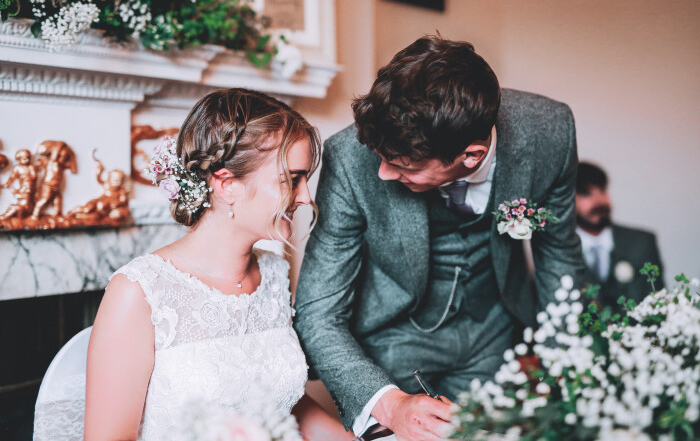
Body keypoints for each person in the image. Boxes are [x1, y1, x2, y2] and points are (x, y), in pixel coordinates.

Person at [294, 36, 586, 441]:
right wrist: (390, 403)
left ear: (472, 155)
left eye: (401, 165)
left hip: (494, 335)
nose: (382, 175)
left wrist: (565, 372)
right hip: (391, 342)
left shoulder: (549, 133)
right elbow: (317, 311)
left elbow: (561, 260)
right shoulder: (350, 158)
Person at [34, 89, 353, 440]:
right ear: (226, 184)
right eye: (292, 179)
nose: (306, 196)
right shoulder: (139, 292)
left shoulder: (274, 274)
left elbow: (283, 402)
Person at [576, 162, 664, 312]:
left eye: (602, 190)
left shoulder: (642, 242)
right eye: (586, 193)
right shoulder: (558, 250)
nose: (599, 201)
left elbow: (658, 301)